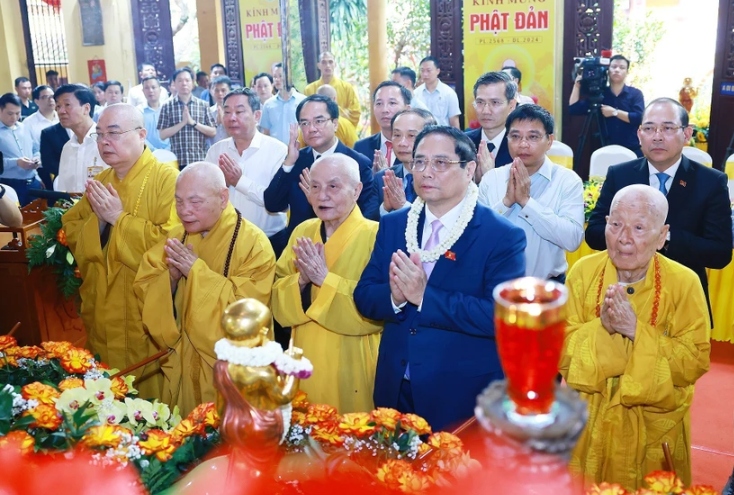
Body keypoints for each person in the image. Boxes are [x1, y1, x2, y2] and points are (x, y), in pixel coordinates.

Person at [354, 126, 526, 431]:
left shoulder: (500, 235)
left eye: (440, 163)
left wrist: (424, 297)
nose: (426, 172)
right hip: (396, 387)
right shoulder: (395, 224)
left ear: (469, 168)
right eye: (419, 162)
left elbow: (501, 317)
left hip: (459, 394)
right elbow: (364, 295)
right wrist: (394, 298)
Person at [560, 184, 710, 491]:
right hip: (588, 421)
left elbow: (694, 362)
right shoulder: (583, 273)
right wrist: (602, 328)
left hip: (652, 428)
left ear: (662, 234)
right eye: (615, 224)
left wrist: (634, 331)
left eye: (639, 227)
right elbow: (558, 349)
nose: (623, 238)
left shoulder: (684, 283)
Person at [134, 162, 276, 414]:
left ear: (223, 198)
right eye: (178, 202)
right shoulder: (176, 238)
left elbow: (247, 317)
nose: (184, 211)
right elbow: (145, 285)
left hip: (229, 374)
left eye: (195, 202)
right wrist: (172, 280)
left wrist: (196, 272)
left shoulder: (254, 245)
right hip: (184, 364)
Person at [62, 104, 179, 400]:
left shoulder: (168, 180)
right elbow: (72, 229)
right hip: (104, 309)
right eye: (99, 135)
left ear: (142, 134)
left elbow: (172, 242)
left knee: (150, 400)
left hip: (144, 312)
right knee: (107, 393)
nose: (104, 142)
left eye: (113, 133)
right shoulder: (100, 184)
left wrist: (118, 220)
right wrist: (99, 221)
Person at [585, 98, 732, 322]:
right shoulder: (620, 175)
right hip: (621, 296)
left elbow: (719, 253)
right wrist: (626, 232)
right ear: (639, 134)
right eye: (649, 128)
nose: (657, 136)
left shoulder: (710, 182)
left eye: (668, 128)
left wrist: (664, 237)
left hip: (680, 301)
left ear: (687, 134)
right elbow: (594, 233)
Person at [271, 155, 382, 413]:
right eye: (315, 187)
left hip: (351, 359)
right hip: (305, 353)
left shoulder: (376, 235)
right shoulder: (302, 231)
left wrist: (324, 278)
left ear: (357, 190)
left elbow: (377, 308)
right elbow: (276, 291)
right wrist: (301, 280)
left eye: (333, 186)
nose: (322, 196)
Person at [478, 104, 584, 281]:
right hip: (495, 285)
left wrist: (527, 203)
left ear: (549, 141)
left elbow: (572, 239)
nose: (523, 144)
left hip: (548, 287)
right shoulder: (491, 179)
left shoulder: (567, 181)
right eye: (515, 136)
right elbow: (477, 236)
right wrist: (506, 203)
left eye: (533, 137)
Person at [264, 94, 379, 238]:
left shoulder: (357, 163)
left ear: (335, 124)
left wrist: (317, 201)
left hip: (342, 245)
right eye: (304, 123)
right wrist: (288, 163)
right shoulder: (297, 160)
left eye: (319, 121)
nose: (311, 129)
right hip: (299, 246)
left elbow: (366, 216)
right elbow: (272, 205)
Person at [204, 88, 288, 255]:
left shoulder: (278, 151)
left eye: (239, 111)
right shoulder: (216, 151)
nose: (232, 117)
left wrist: (239, 182)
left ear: (257, 116)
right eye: (227, 112)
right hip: (225, 240)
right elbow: (205, 197)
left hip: (269, 241)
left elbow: (278, 204)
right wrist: (222, 184)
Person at [569, 54, 644, 156]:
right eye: (613, 67)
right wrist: (577, 85)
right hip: (605, 151)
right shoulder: (600, 94)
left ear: (627, 72)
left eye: (622, 67)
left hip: (631, 150)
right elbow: (574, 109)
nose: (617, 70)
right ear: (607, 70)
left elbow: (639, 118)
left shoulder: (635, 94)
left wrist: (614, 112)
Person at [376, 108, 436, 215]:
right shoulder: (382, 178)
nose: (402, 143)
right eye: (397, 135)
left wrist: (403, 206)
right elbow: (369, 222)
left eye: (411, 136)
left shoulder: (438, 177)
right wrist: (385, 208)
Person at [158, 68, 216, 169]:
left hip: (200, 159)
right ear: (174, 84)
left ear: (193, 83)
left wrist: (192, 122)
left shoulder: (203, 105)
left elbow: (213, 131)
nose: (184, 83)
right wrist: (183, 123)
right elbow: (162, 135)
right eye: (180, 80)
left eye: (187, 80)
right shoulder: (167, 106)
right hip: (178, 160)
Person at [55, 84, 108, 193]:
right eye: (58, 106)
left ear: (86, 108)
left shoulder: (105, 142)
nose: (61, 111)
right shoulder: (67, 148)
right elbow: (63, 190)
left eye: (67, 105)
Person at [465, 72, 516, 182]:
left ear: (511, 105)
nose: (486, 111)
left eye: (495, 102)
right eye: (480, 102)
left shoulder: (520, 147)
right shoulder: (463, 142)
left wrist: (490, 178)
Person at [354, 81, 411, 173]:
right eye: (379, 104)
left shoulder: (416, 147)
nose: (385, 110)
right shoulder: (361, 147)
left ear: (407, 109)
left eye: (392, 103)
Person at [0, 93, 41, 206]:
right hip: (9, 185)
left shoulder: (24, 127)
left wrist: (37, 159)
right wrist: (16, 162)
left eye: (18, 113)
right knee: (15, 222)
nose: (14, 117)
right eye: (10, 113)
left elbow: (35, 149)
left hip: (32, 181)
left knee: (39, 218)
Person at [304, 52, 361, 127]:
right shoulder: (309, 90)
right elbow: (305, 114)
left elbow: (355, 113)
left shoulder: (347, 87)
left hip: (341, 131)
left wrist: (334, 116)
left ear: (335, 64)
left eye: (330, 62)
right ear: (318, 65)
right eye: (324, 62)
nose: (327, 66)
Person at [260, 62, 306, 145]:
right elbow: (266, 132)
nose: (277, 79)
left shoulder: (303, 101)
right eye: (275, 77)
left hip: (300, 149)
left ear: (289, 77)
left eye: (280, 76)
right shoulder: (268, 104)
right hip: (275, 151)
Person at [413, 56, 461, 128]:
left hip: (443, 135)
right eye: (422, 71)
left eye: (428, 70)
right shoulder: (416, 93)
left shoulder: (449, 93)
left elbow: (454, 121)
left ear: (437, 71)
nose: (425, 74)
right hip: (422, 136)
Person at [138, 76, 170, 151]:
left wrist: (168, 149)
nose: (150, 91)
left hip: (171, 152)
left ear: (160, 89)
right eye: (147, 88)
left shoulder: (169, 109)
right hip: (148, 153)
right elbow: (138, 134)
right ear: (143, 91)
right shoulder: (138, 111)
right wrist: (154, 150)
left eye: (153, 87)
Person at [23, 85, 58, 150]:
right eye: (45, 97)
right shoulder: (28, 123)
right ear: (36, 101)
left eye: (53, 96)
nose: (51, 100)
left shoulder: (62, 117)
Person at [38, 121, 70, 190]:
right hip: (61, 182)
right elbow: (48, 163)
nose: (63, 111)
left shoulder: (94, 131)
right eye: (58, 109)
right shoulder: (48, 133)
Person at [206, 75, 232, 147]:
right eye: (216, 90)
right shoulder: (208, 112)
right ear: (211, 91)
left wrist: (223, 121)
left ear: (229, 91)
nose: (220, 93)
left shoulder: (234, 112)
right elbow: (204, 138)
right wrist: (216, 124)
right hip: (213, 151)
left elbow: (237, 136)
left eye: (223, 90)